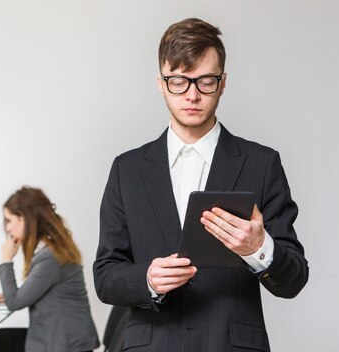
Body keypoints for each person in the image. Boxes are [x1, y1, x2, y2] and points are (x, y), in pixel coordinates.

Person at [93, 18, 309, 351]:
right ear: (161, 84)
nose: (192, 95)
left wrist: (259, 248)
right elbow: (105, 277)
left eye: (205, 81)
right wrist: (147, 280)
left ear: (222, 83)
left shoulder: (262, 164)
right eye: (179, 81)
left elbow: (293, 279)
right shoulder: (127, 169)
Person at [0, 186, 99, 352]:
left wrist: (5, 260)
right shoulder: (50, 249)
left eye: (9, 220)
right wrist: (16, 292)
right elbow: (30, 294)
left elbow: (14, 302)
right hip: (57, 339)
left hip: (64, 344)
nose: (7, 228)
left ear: (23, 218)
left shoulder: (50, 257)